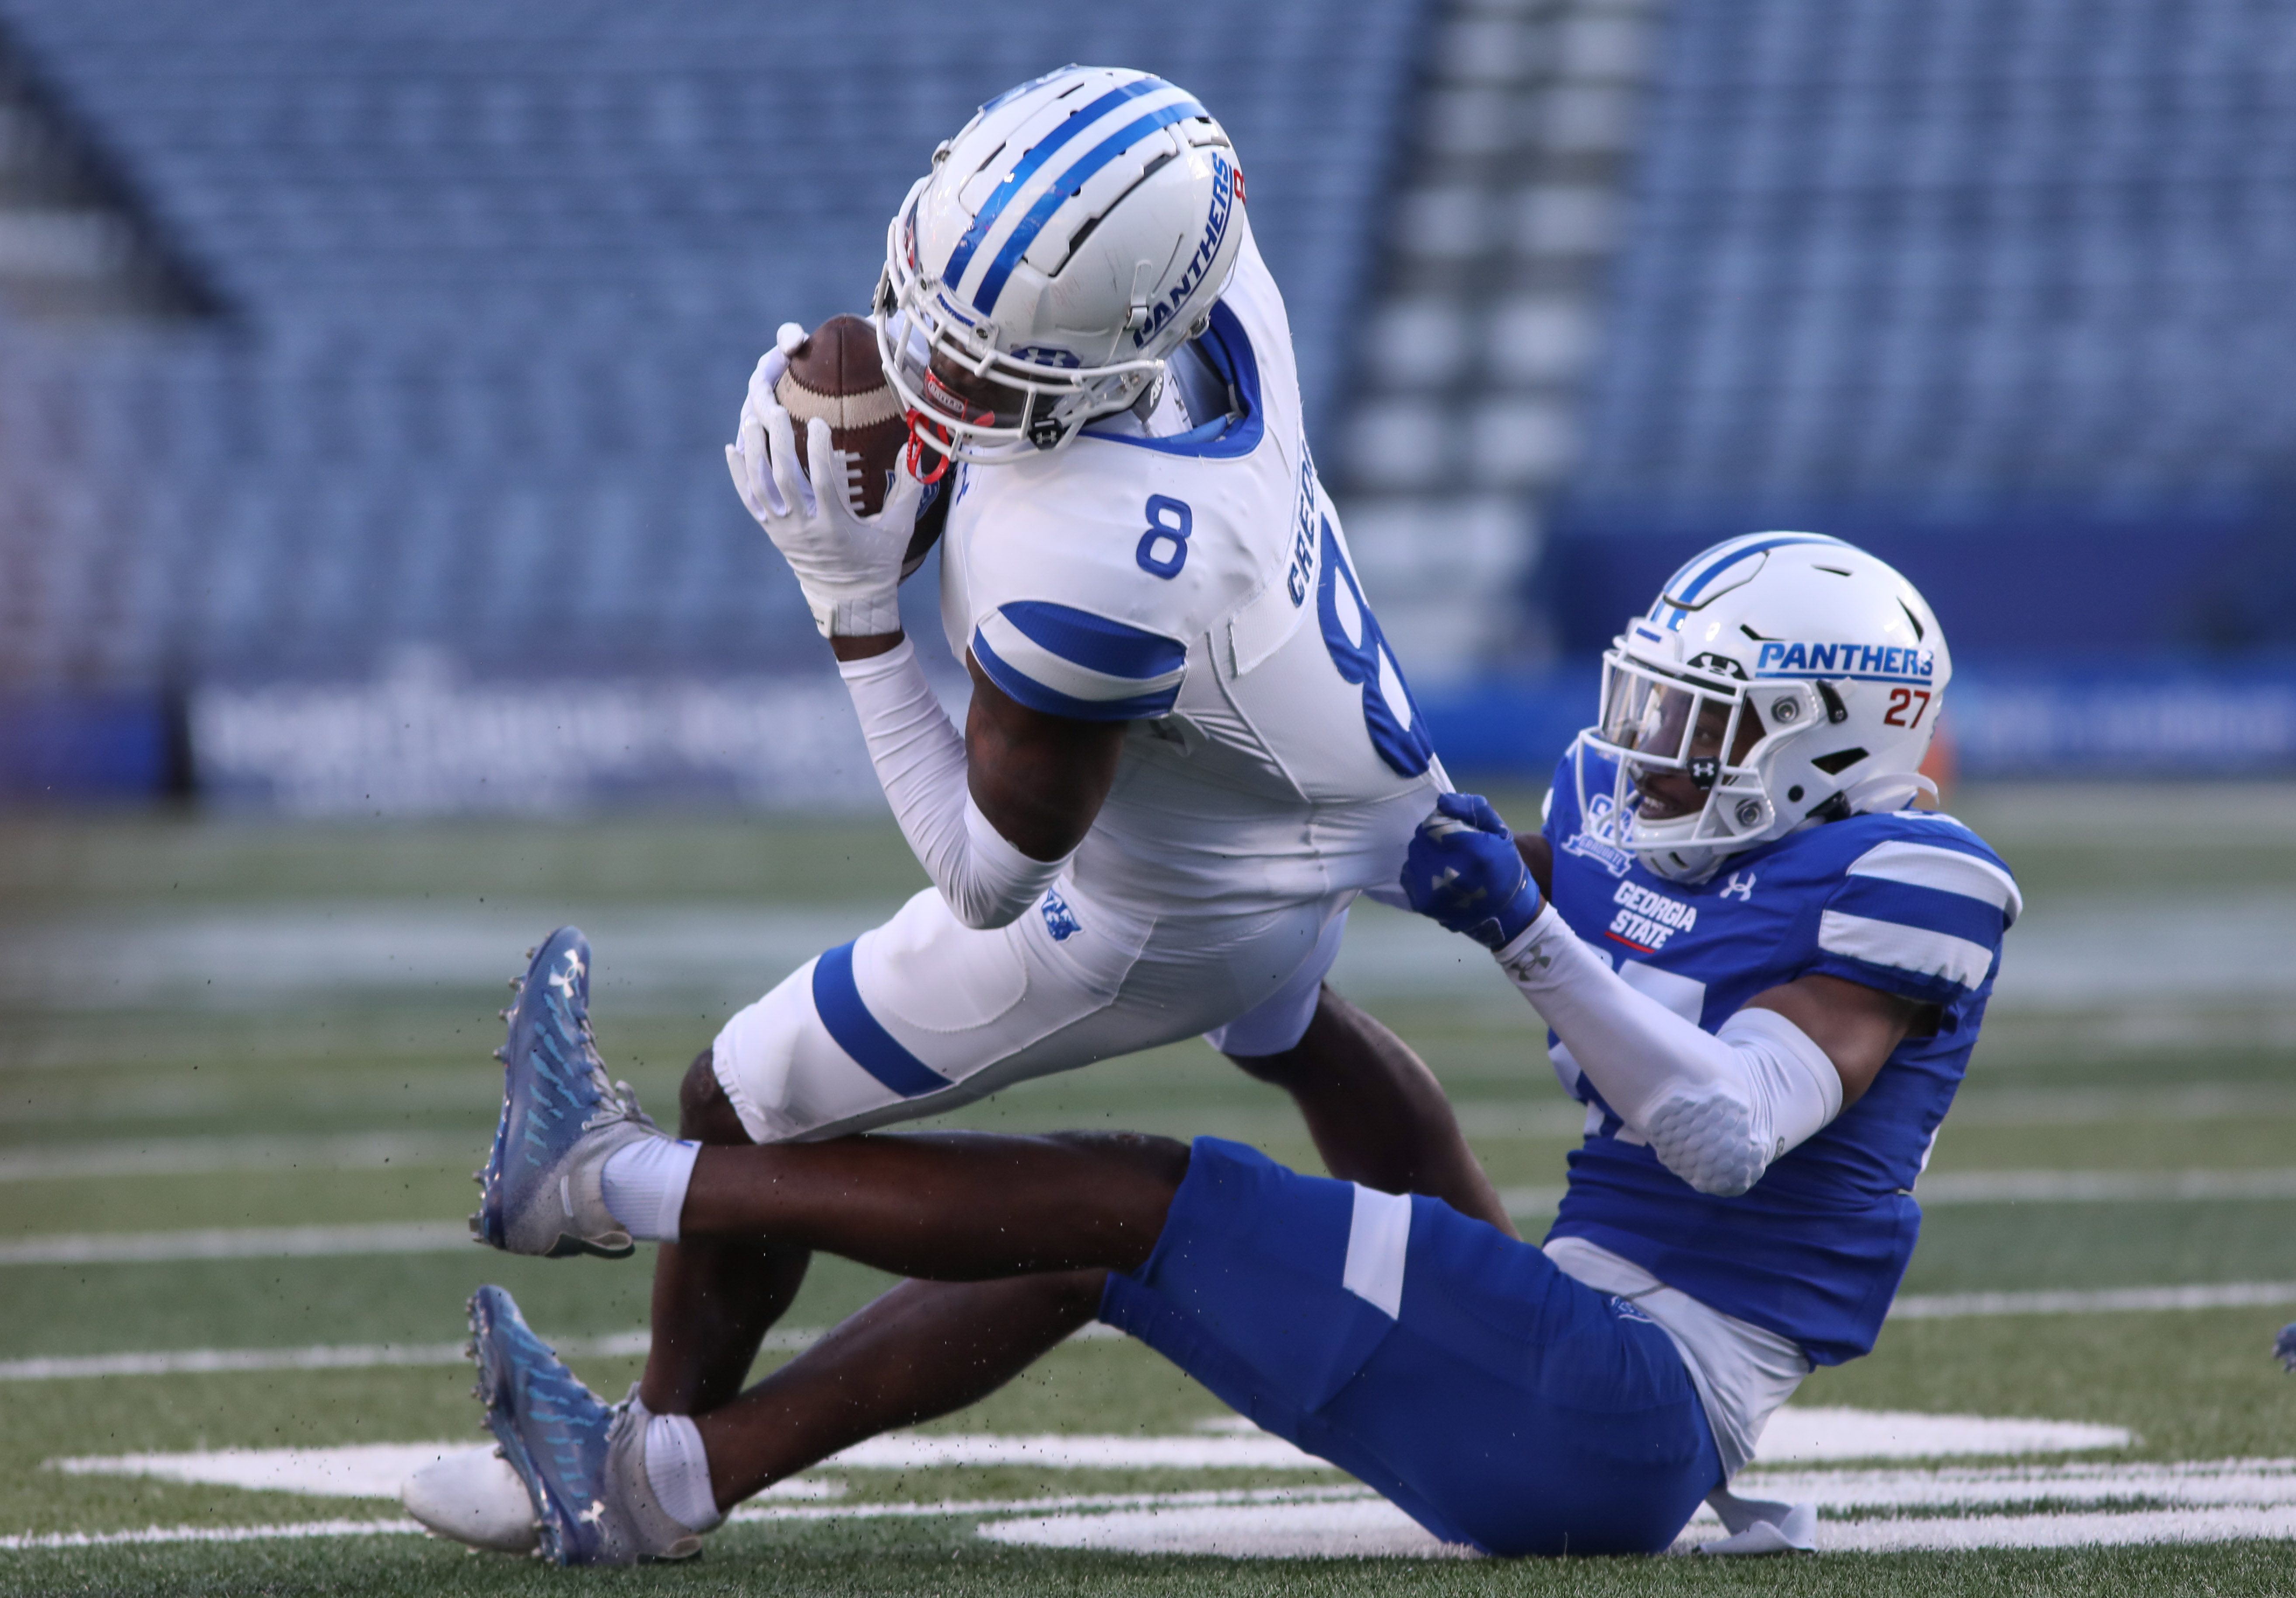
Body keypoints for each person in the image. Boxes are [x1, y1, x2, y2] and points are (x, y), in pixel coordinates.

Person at [413, 532, 2020, 1563]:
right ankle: (661, 1482)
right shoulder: (1629, 819)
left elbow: (1728, 1131)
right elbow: (1472, 889)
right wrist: (1282, 888)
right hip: (1556, 1345)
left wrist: (1523, 933)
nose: (1652, 752)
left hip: (1634, 1408)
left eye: (1703, 725)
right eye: (1652, 706)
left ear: (1829, 738)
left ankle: (615, 1177)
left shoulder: (1898, 885)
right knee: (1132, 1213)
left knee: (1144, 1193)